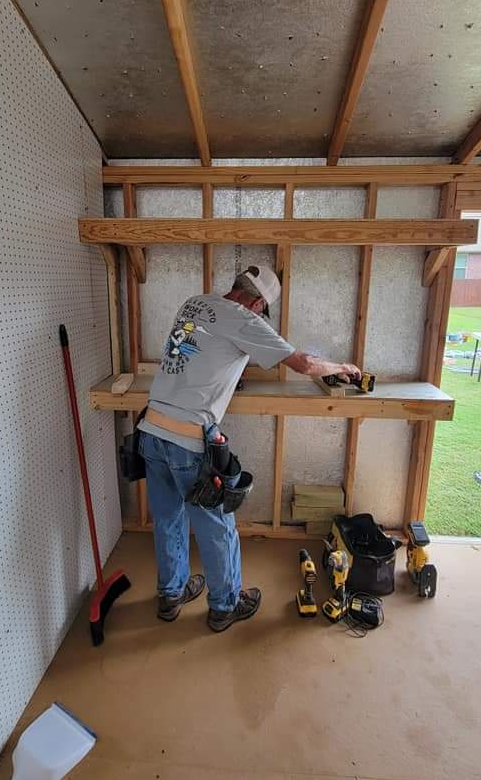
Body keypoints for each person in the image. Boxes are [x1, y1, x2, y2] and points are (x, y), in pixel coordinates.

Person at [137, 265, 361, 633]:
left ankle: (170, 594)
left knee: (168, 519)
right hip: (188, 441)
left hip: (152, 430)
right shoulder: (244, 318)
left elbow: (191, 351)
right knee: (217, 526)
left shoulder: (195, 303)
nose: (259, 316)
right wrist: (342, 367)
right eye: (261, 311)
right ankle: (226, 605)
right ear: (257, 302)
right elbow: (303, 363)